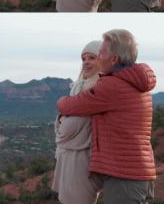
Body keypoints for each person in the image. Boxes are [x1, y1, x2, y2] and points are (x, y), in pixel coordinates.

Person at [57, 29, 156, 204]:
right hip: (137, 171)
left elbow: (70, 105)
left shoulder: (113, 85)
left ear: (114, 58)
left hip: (124, 175)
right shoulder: (134, 82)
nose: (98, 57)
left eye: (100, 53)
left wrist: (61, 102)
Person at [52, 40, 103, 203]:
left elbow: (69, 126)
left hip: (83, 161)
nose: (86, 62)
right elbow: (63, 123)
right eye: (83, 58)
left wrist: (63, 116)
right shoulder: (77, 87)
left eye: (92, 57)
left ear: (103, 59)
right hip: (67, 156)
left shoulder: (100, 89)